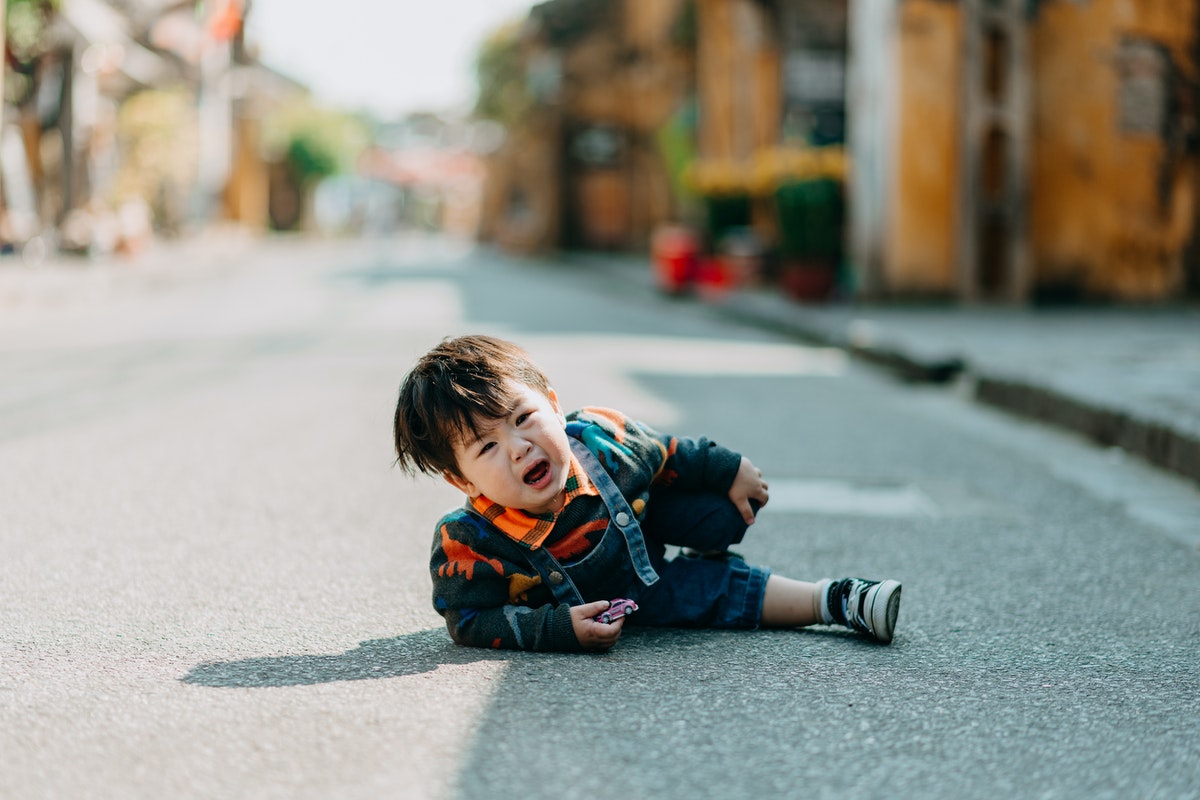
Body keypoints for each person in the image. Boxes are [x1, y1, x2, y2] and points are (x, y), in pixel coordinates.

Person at [392, 334, 902, 652]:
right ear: (462, 481)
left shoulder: (599, 439)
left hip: (642, 532)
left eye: (524, 419)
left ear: (552, 403)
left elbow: (665, 451)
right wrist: (558, 629)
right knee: (722, 591)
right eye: (487, 447)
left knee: (722, 508)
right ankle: (835, 599)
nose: (520, 448)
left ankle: (712, 541)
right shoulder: (469, 542)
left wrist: (729, 469)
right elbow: (470, 620)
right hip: (633, 599)